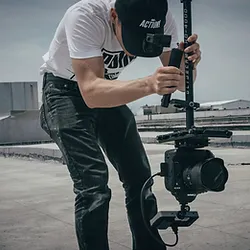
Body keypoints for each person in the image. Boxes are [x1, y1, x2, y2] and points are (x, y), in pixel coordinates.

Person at [39, 0, 202, 249]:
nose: (132, 50)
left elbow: (181, 83)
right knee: (93, 185)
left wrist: (188, 64)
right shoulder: (85, 15)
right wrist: (149, 84)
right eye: (133, 37)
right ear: (114, 16)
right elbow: (91, 93)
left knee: (140, 178)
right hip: (65, 92)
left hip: (109, 87)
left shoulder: (162, 16)